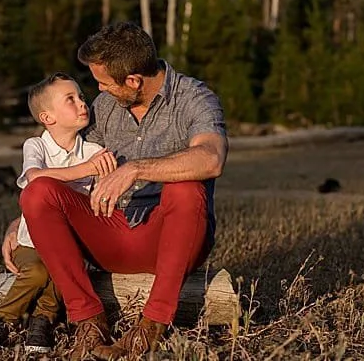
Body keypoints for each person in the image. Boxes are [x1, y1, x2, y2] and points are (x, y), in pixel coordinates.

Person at [16, 22, 226, 361]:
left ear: (133, 81)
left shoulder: (195, 99)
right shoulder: (105, 106)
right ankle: (88, 321)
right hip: (110, 232)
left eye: (103, 82)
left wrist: (137, 168)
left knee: (186, 187)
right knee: (37, 193)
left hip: (170, 239)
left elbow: (212, 158)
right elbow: (71, 175)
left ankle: (152, 326)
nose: (97, 89)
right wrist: (23, 222)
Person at [0, 75, 113, 356]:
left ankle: (42, 321)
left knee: (65, 269)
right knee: (38, 271)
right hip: (29, 243)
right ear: (47, 116)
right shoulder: (35, 146)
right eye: (70, 99)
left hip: (72, 243)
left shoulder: (94, 151)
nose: (82, 103)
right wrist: (85, 170)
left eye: (81, 97)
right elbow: (35, 178)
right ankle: (2, 319)